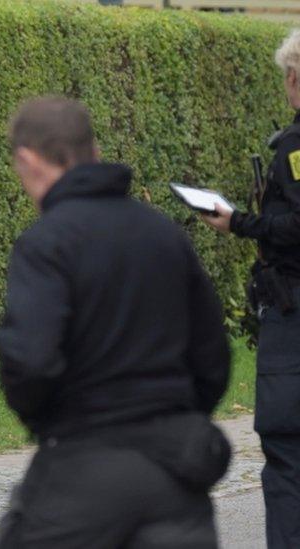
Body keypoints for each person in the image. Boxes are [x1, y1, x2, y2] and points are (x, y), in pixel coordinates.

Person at [0, 97, 231, 548]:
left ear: (27, 160)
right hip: (177, 472)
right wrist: (178, 413)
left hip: (83, 469)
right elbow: (212, 355)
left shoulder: (47, 243)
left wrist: (51, 424)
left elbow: (30, 361)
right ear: (94, 151)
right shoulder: (164, 234)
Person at [199, 30, 300, 549]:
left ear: (294, 77)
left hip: (293, 309)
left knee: (286, 450)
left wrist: (238, 222)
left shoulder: (295, 148)